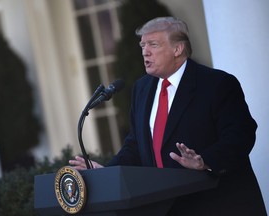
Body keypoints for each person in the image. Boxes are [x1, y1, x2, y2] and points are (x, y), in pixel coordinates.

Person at [69, 17, 267, 215]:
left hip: (219, 204)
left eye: (153, 45)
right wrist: (107, 172)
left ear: (178, 49)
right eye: (142, 45)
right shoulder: (142, 88)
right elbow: (136, 144)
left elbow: (240, 136)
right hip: (165, 207)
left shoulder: (217, 84)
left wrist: (204, 160)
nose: (145, 51)